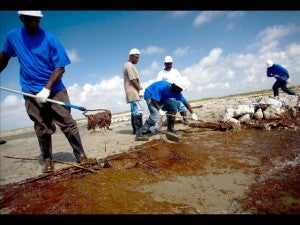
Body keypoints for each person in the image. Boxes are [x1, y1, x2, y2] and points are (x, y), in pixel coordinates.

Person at [0, 11, 89, 173]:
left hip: (54, 89)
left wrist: (46, 89)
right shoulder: (13, 36)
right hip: (29, 90)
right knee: (41, 125)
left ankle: (81, 155)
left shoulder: (50, 39)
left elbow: (60, 67)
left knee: (67, 121)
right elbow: (4, 57)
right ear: (22, 18)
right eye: (30, 19)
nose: (34, 21)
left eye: (37, 19)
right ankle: (48, 160)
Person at [123, 48, 149, 141]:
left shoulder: (128, 65)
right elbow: (133, 79)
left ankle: (135, 130)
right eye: (137, 58)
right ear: (131, 56)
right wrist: (140, 89)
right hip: (133, 91)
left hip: (131, 91)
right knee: (138, 111)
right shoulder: (129, 65)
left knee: (134, 112)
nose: (138, 60)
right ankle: (139, 134)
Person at [156, 55, 189, 125]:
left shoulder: (175, 71)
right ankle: (168, 121)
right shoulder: (161, 73)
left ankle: (185, 119)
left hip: (176, 91)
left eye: (170, 63)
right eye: (167, 63)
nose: (169, 65)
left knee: (181, 105)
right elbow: (158, 84)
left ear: (172, 63)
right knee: (171, 107)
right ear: (164, 64)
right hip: (167, 93)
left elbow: (180, 80)